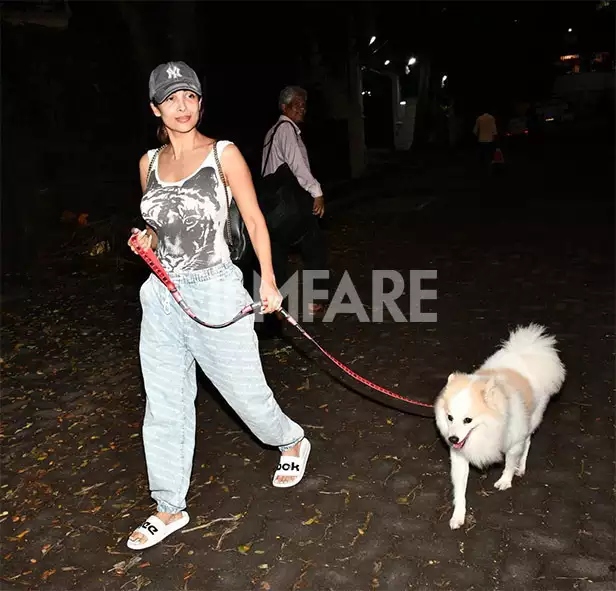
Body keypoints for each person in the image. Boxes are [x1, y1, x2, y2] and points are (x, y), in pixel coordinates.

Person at [126, 61, 311, 550]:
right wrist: (146, 240)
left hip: (215, 289)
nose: (182, 106)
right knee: (164, 404)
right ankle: (168, 506)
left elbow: (252, 217)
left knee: (245, 396)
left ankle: (290, 439)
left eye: (190, 96)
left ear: (200, 101)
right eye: (171, 98)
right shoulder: (147, 164)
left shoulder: (223, 154)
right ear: (155, 108)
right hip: (161, 295)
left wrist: (269, 280)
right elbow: (160, 225)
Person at [260, 86, 328, 329]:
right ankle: (314, 301)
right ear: (284, 107)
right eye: (297, 103)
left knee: (276, 252)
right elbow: (298, 166)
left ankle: (277, 309)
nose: (302, 108)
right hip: (290, 202)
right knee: (314, 244)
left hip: (272, 206)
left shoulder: (272, 132)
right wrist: (316, 191)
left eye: (303, 104)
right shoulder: (287, 129)